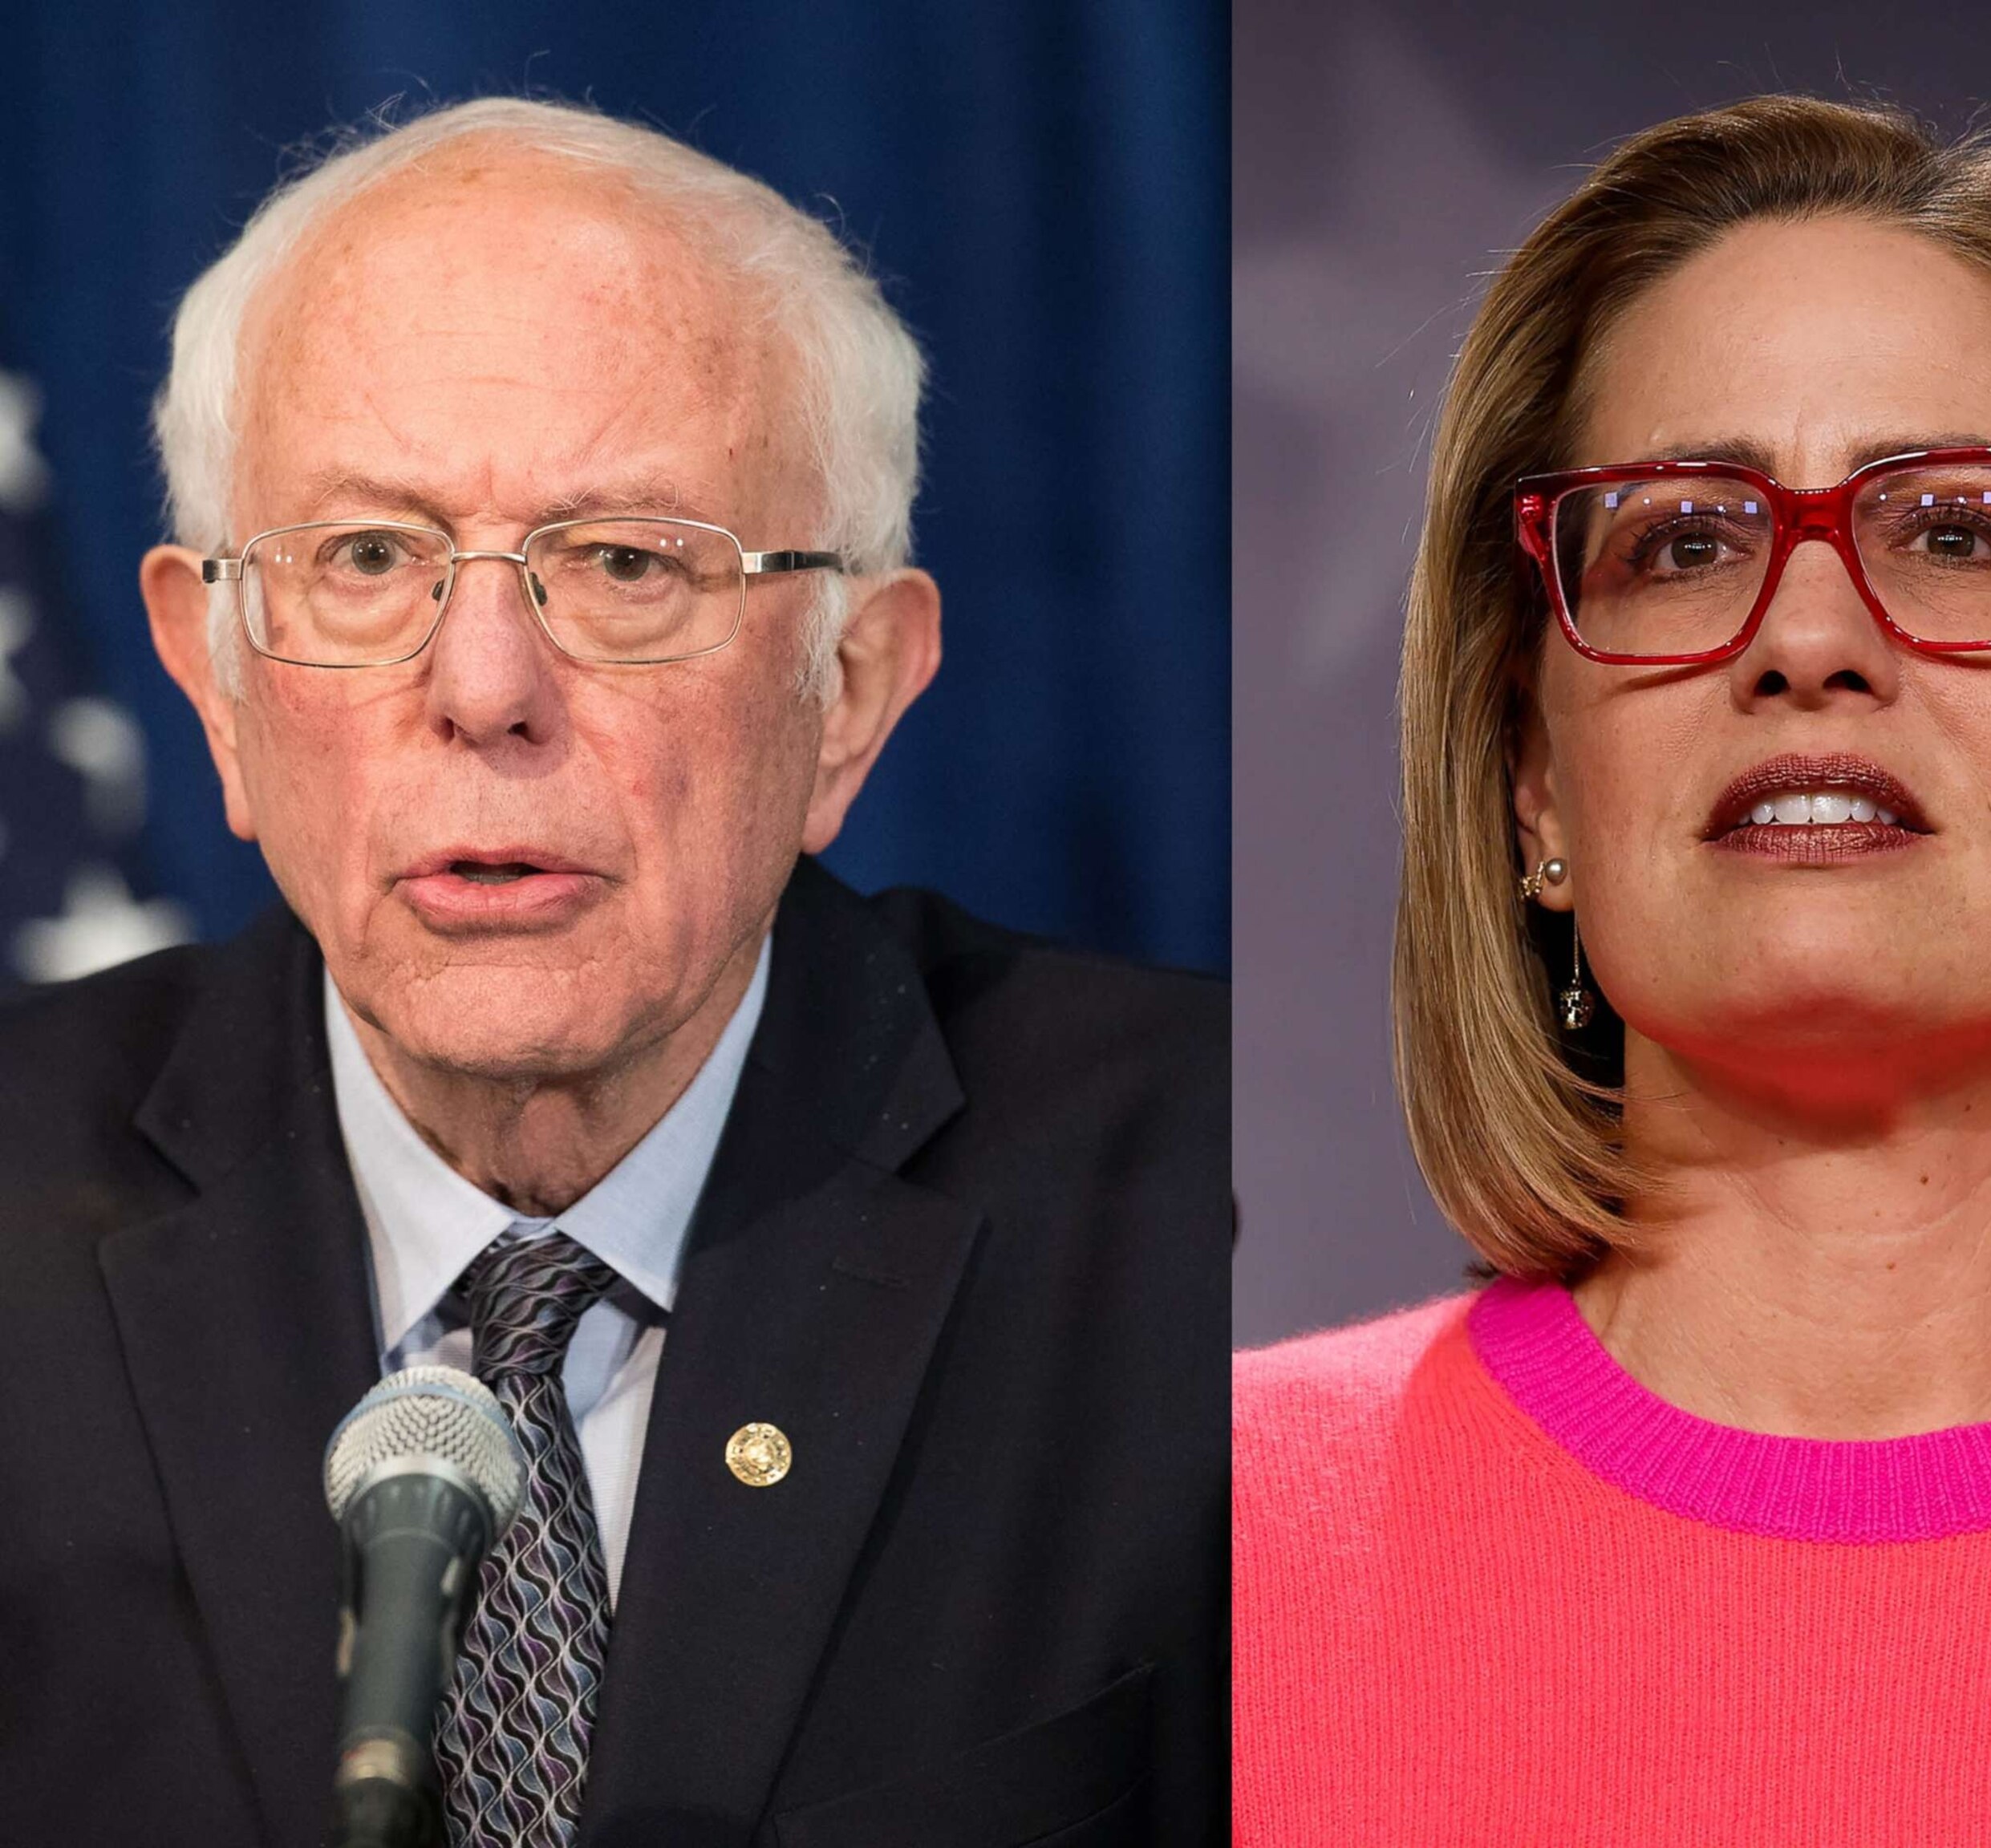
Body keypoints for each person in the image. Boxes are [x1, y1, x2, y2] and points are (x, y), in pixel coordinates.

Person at [1234, 96, 1991, 1839]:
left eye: (1958, 530)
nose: (1809, 641)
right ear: (1536, 785)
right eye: (1682, 542)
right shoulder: (1177, 1559)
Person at [0, 98, 1225, 1846]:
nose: (485, 684)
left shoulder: (1213, 1228)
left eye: (628, 563)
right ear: (213, 681)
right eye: (368, 558)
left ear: (853, 689)